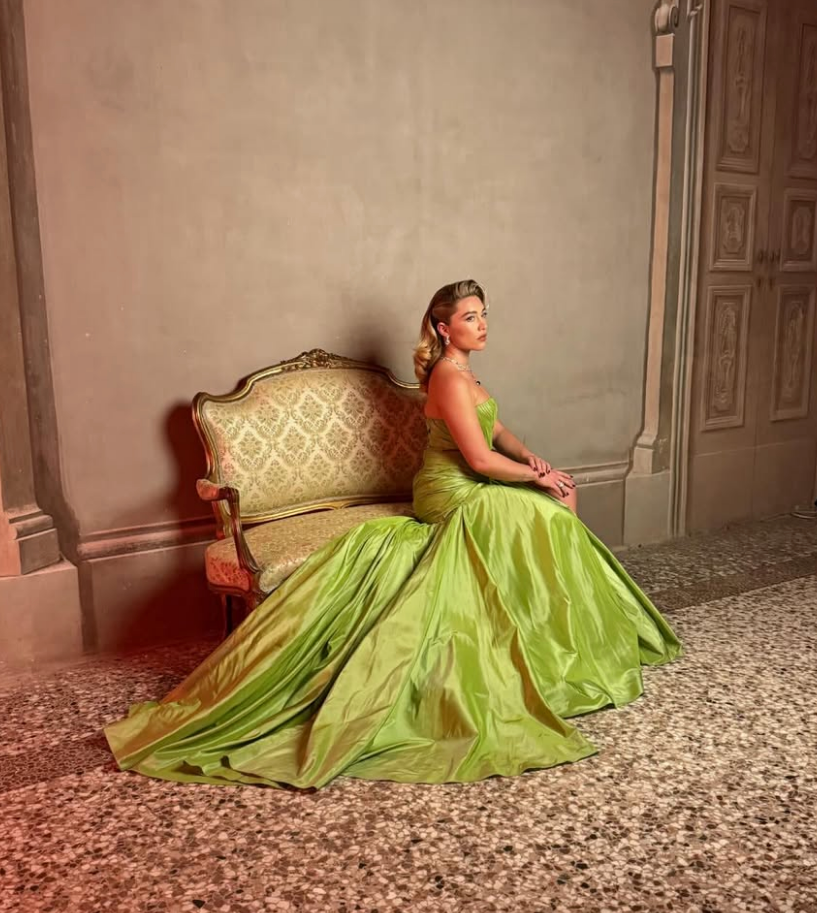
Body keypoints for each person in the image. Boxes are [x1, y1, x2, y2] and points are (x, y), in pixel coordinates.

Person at [105, 280, 682, 789]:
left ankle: (551, 635)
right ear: (443, 327)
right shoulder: (447, 378)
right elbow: (479, 460)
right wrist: (537, 477)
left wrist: (534, 458)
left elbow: (499, 431)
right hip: (451, 491)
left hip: (474, 479)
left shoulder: (465, 372)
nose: (483, 324)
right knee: (546, 510)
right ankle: (542, 640)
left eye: (484, 314)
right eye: (471, 317)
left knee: (559, 499)